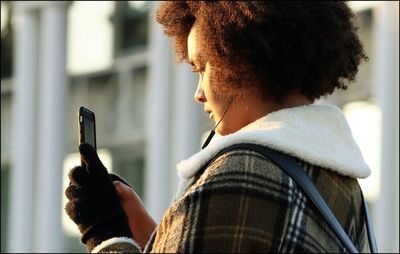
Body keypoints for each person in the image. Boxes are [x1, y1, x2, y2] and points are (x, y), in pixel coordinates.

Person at [65, 1, 373, 253]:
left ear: (242, 61)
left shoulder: (240, 176)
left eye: (201, 68)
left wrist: (106, 234)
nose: (198, 93)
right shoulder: (340, 181)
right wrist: (148, 230)